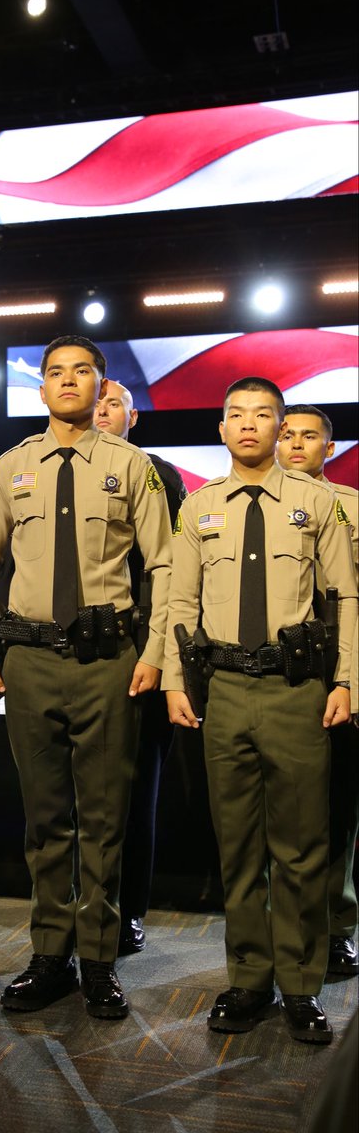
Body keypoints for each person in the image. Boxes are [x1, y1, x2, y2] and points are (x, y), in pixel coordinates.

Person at [0, 336, 172, 1018]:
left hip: (108, 661)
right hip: (26, 661)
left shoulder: (131, 466)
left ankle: (100, 960)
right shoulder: (9, 469)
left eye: (82, 371)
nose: (67, 381)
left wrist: (153, 654)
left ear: (101, 386)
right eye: (54, 372)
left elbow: (163, 567)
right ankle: (50, 954)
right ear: (41, 387)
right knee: (44, 818)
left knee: (105, 819)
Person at [165, 378, 356, 1045]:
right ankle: (248, 979)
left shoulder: (318, 504)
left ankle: (301, 986)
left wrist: (346, 680)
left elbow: (346, 597)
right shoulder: (198, 506)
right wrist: (173, 683)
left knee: (302, 847)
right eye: (236, 415)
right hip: (225, 693)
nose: (249, 425)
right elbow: (179, 603)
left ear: (281, 427)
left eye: (264, 415)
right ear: (221, 428)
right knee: (238, 846)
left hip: (297, 691)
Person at [94, 381, 186, 955]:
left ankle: (128, 911)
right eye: (96, 402)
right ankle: (80, 911)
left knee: (133, 794)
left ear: (134, 418)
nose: (100, 411)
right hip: (73, 658)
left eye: (112, 405)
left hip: (138, 651)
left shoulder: (157, 474)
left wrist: (155, 651)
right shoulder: (41, 466)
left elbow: (169, 572)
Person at [276, 402, 359, 978]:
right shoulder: (244, 504)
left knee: (337, 811)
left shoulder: (351, 508)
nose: (297, 444)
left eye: (311, 436)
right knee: (275, 816)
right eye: (288, 434)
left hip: (340, 679)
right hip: (277, 679)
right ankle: (276, 931)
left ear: (329, 449)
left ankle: (335, 926)